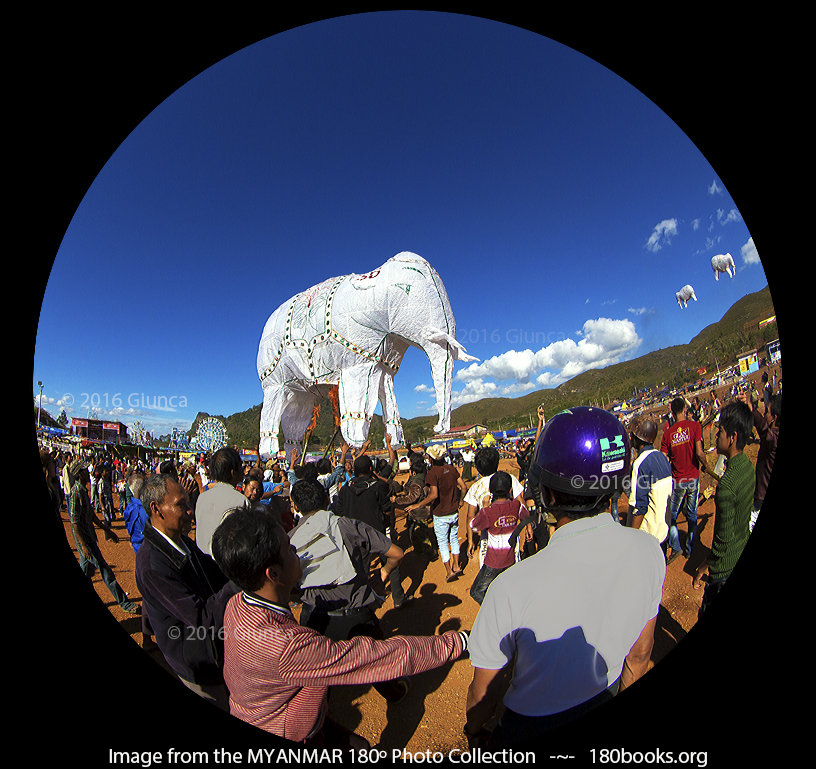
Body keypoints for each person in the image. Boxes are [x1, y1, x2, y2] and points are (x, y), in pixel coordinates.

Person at [465, 407, 665, 749]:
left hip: (527, 727)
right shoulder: (649, 552)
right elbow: (638, 657)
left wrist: (474, 729)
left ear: (550, 494)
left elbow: (483, 697)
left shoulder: (508, 589)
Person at [211, 504, 469, 747]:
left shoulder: (236, 604)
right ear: (273, 574)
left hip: (278, 718)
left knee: (360, 747)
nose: (298, 553)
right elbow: (380, 657)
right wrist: (459, 642)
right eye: (290, 549)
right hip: (294, 735)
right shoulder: (287, 647)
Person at [289, 479, 413, 701]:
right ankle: (394, 693)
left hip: (315, 620)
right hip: (356, 615)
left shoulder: (289, 541)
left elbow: (289, 589)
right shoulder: (348, 525)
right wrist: (383, 572)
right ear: (327, 499)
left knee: (317, 681)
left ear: (295, 506)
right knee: (376, 662)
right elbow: (396, 553)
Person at [135, 473, 239, 711]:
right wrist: (238, 585)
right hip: (196, 663)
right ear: (157, 509)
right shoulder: (153, 566)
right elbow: (201, 617)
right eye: (181, 505)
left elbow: (210, 569)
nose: (190, 510)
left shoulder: (180, 541)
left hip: (212, 650)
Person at [693, 401, 755, 617]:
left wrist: (704, 565)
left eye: (720, 431)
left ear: (733, 437)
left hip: (725, 570)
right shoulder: (747, 466)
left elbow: (721, 542)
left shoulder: (727, 486)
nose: (716, 435)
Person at [66, 458, 140, 614]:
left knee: (87, 571)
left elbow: (91, 516)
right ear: (80, 474)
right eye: (86, 471)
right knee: (105, 571)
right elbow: (74, 523)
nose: (90, 473)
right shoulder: (76, 492)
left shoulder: (83, 490)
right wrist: (84, 545)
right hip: (85, 541)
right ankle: (124, 603)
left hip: (90, 538)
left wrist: (107, 529)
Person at [335, 455, 409, 607]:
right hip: (376, 533)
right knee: (391, 563)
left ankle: (361, 603)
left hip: (354, 535)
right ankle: (399, 599)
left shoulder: (345, 488)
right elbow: (387, 509)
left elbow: (340, 511)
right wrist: (388, 524)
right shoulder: (377, 486)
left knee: (360, 570)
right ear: (371, 469)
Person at [468, 471, 530, 605]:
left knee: (476, 591)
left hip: (493, 561)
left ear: (490, 490)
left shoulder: (488, 512)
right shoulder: (516, 506)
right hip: (510, 558)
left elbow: (473, 525)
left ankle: (492, 610)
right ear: (511, 490)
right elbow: (525, 514)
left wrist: (484, 506)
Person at [660, 397, 709, 562]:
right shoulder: (695, 426)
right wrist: (706, 466)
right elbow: (700, 452)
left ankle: (676, 546)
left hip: (678, 480)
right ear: (685, 410)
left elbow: (664, 459)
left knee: (672, 516)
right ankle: (689, 549)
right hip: (694, 478)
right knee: (692, 515)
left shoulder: (668, 434)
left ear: (672, 413)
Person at [463, 446, 526, 566]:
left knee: (488, 572)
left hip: (488, 538)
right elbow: (521, 503)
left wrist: (470, 540)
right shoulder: (509, 479)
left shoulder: (475, 487)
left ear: (478, 467)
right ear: (497, 463)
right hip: (510, 532)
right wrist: (527, 526)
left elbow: (470, 516)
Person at [626, 414, 674, 556]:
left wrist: (632, 539)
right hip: (663, 531)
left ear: (638, 438)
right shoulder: (661, 457)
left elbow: (640, 507)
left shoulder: (640, 464)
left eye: (632, 435)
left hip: (649, 536)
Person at [193, 446, 249, 558]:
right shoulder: (240, 501)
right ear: (233, 472)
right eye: (241, 466)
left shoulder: (202, 498)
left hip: (202, 564)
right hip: (226, 567)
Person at [423, 444, 468, 582]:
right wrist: (460, 501)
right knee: (453, 538)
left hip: (440, 514)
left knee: (442, 543)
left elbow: (434, 495)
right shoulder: (452, 469)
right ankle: (457, 566)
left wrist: (419, 504)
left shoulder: (432, 474)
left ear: (430, 459)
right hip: (453, 511)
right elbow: (464, 487)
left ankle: (449, 572)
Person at [740, 389, 779, 531]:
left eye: (767, 412)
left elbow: (763, 429)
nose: (765, 414)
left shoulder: (773, 439)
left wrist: (751, 408)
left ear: (774, 417)